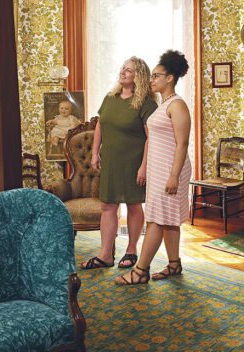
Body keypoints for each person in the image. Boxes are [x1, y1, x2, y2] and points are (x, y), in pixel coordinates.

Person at [116, 50, 191, 285]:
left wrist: (174, 176)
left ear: (170, 78)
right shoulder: (163, 104)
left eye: (156, 76)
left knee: (156, 220)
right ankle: (174, 264)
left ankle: (140, 271)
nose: (152, 79)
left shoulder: (177, 105)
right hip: (160, 169)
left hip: (171, 169)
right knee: (168, 219)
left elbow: (182, 144)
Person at [81, 57, 158, 270]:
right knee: (108, 205)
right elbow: (100, 126)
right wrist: (95, 153)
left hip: (134, 163)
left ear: (139, 76)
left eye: (129, 70)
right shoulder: (110, 98)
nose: (122, 72)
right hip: (111, 162)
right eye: (123, 68)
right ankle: (105, 255)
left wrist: (144, 167)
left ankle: (131, 250)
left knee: (133, 204)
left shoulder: (146, 103)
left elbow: (151, 137)